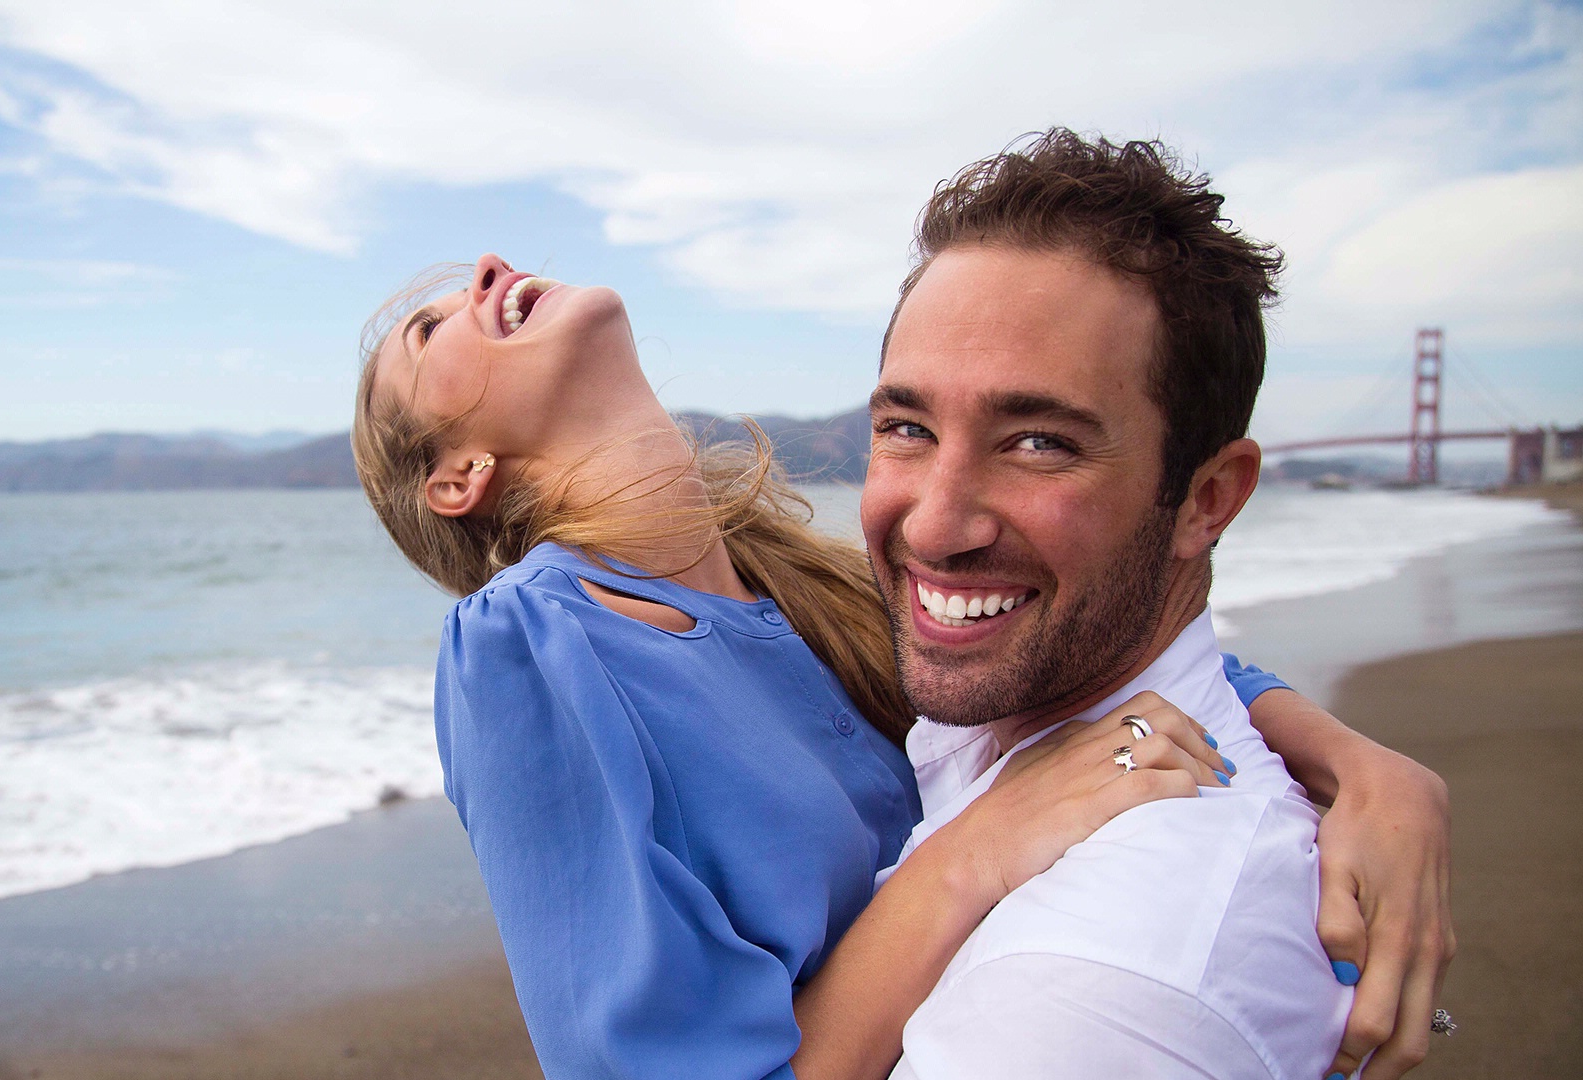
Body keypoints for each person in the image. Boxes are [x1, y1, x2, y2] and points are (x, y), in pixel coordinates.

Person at [350, 250, 1448, 1075]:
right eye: (429, 329)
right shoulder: (531, 645)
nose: (488, 271)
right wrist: (980, 847)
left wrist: (1363, 769)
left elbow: (1074, 651)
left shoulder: (797, 587)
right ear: (459, 478)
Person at [849, 131, 1450, 1080]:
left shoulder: (1102, 988)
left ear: (1207, 499)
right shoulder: (1009, 704)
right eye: (908, 428)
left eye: (1039, 442)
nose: (933, 526)